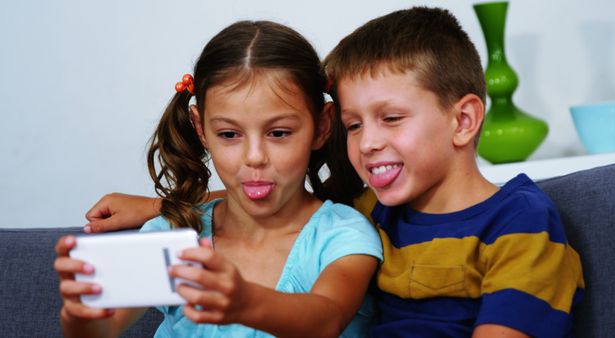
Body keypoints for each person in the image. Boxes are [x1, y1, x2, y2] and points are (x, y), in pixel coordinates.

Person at [82, 7, 585, 337]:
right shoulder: (375, 210)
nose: (365, 143)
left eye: (390, 118)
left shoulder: (520, 222)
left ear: (463, 119)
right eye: (353, 124)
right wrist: (160, 208)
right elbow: (267, 195)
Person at [54, 20, 382, 338]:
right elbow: (102, 330)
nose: (254, 156)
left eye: (279, 132)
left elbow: (326, 319)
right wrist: (81, 318)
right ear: (201, 129)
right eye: (229, 133)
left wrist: (246, 302)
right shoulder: (172, 234)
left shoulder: (343, 235)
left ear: (322, 126)